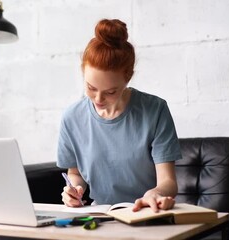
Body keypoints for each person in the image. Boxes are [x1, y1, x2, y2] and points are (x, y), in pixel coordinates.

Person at [56, 19, 183, 213]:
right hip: (100, 214)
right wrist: (74, 190)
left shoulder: (155, 110)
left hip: (146, 212)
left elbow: (168, 182)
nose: (98, 98)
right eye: (91, 88)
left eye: (110, 92)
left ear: (128, 78)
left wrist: (155, 193)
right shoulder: (71, 118)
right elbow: (74, 173)